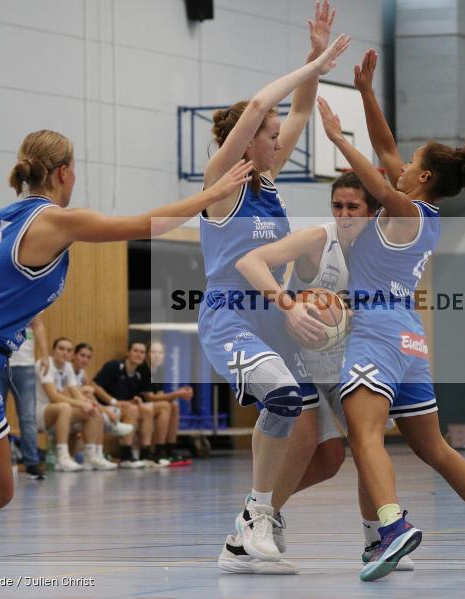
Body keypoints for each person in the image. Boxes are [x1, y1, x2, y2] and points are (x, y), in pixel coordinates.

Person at [0, 129, 252, 599]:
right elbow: (143, 224)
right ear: (64, 172)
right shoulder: (55, 221)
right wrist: (212, 194)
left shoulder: (3, 218)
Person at [316, 48, 465, 581]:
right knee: (433, 447)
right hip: (409, 338)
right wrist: (365, 93)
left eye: (412, 165)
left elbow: (382, 183)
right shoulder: (422, 212)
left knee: (363, 436)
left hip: (378, 330)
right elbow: (385, 147)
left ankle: (392, 526)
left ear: (424, 177)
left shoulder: (404, 206)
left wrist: (339, 141)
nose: (401, 163)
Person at [199, 0, 349, 568]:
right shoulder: (223, 181)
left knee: (324, 448)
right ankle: (254, 517)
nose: (278, 134)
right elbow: (265, 101)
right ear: (248, 139)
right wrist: (312, 67)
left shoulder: (267, 183)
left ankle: (256, 520)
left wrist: (314, 57)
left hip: (279, 321)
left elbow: (299, 112)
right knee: (283, 400)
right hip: (231, 315)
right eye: (269, 131)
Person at [236, 171, 407, 569]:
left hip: (344, 361)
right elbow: (251, 261)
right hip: (297, 355)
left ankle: (375, 540)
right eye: (338, 206)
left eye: (354, 207)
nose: (344, 214)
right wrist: (288, 305)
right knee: (309, 436)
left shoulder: (382, 250)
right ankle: (254, 520)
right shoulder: (318, 239)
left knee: (344, 454)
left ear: (373, 212)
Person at [36, 337, 115, 472]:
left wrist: (89, 404)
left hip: (60, 411)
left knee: (91, 411)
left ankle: (92, 456)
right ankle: (63, 458)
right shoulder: (45, 364)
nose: (65, 353)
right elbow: (53, 396)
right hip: (40, 412)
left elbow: (75, 392)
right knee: (65, 407)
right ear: (53, 350)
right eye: (61, 349)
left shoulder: (67, 367)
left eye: (68, 350)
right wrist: (80, 403)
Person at [0, 313, 49, 480]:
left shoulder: (31, 295)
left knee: (28, 416)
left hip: (25, 365)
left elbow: (38, 324)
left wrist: (45, 355)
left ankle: (32, 463)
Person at [90, 342, 154, 468]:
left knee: (147, 410)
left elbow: (125, 400)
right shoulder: (114, 366)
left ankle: (146, 453)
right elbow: (93, 385)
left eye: (142, 352)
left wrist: (134, 400)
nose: (139, 354)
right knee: (133, 410)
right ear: (128, 352)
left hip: (120, 408)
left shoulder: (137, 375)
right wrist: (113, 401)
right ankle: (126, 455)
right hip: (103, 406)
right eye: (135, 351)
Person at [140, 341, 193, 466]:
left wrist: (181, 393)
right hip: (139, 404)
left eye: (160, 352)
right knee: (165, 406)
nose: (157, 355)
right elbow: (149, 398)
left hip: (150, 405)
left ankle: (169, 448)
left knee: (174, 405)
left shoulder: (159, 371)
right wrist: (178, 394)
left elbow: (159, 394)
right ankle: (159, 449)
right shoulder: (143, 369)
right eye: (153, 352)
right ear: (147, 354)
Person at [71, 342, 131, 439]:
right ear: (74, 355)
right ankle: (113, 426)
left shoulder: (82, 373)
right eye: (82, 355)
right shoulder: (67, 370)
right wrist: (105, 411)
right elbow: (69, 392)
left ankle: (98, 451)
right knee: (93, 407)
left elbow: (92, 395)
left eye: (88, 357)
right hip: (70, 403)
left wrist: (104, 409)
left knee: (98, 405)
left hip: (81, 403)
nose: (85, 359)